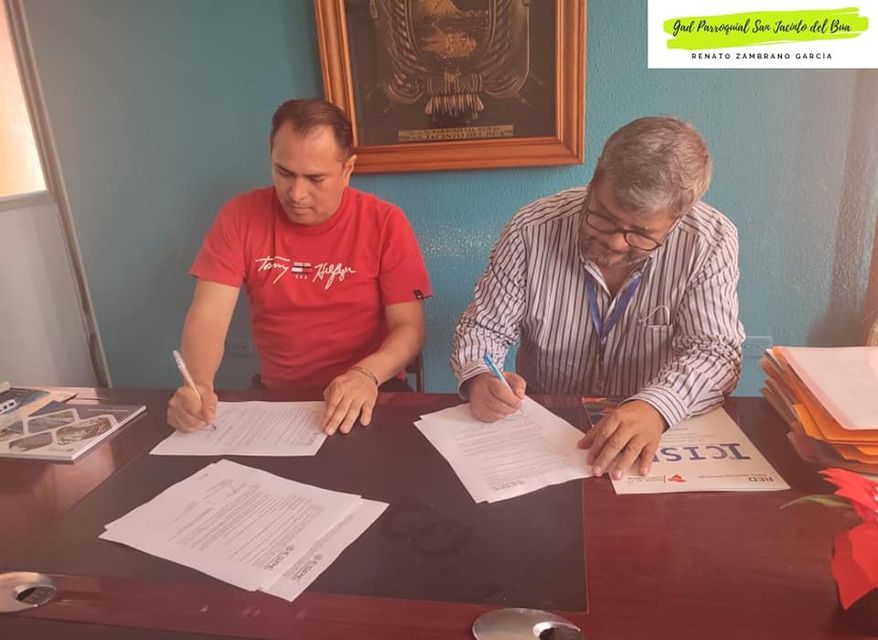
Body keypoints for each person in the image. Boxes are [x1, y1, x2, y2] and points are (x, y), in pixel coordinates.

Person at [451, 116, 744, 480]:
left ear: (677, 218)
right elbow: (483, 328)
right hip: (547, 434)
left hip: (653, 430)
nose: (615, 243)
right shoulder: (531, 229)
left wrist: (655, 407)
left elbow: (715, 352)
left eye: (642, 234)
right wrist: (479, 377)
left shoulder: (710, 241)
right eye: (603, 217)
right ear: (594, 182)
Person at [168, 98, 431, 436]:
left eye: (316, 179)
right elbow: (209, 315)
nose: (296, 194)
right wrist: (199, 385)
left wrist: (366, 375)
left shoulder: (385, 222)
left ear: (348, 170)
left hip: (371, 389)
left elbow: (409, 328)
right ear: (271, 153)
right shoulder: (240, 216)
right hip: (279, 397)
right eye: (284, 173)